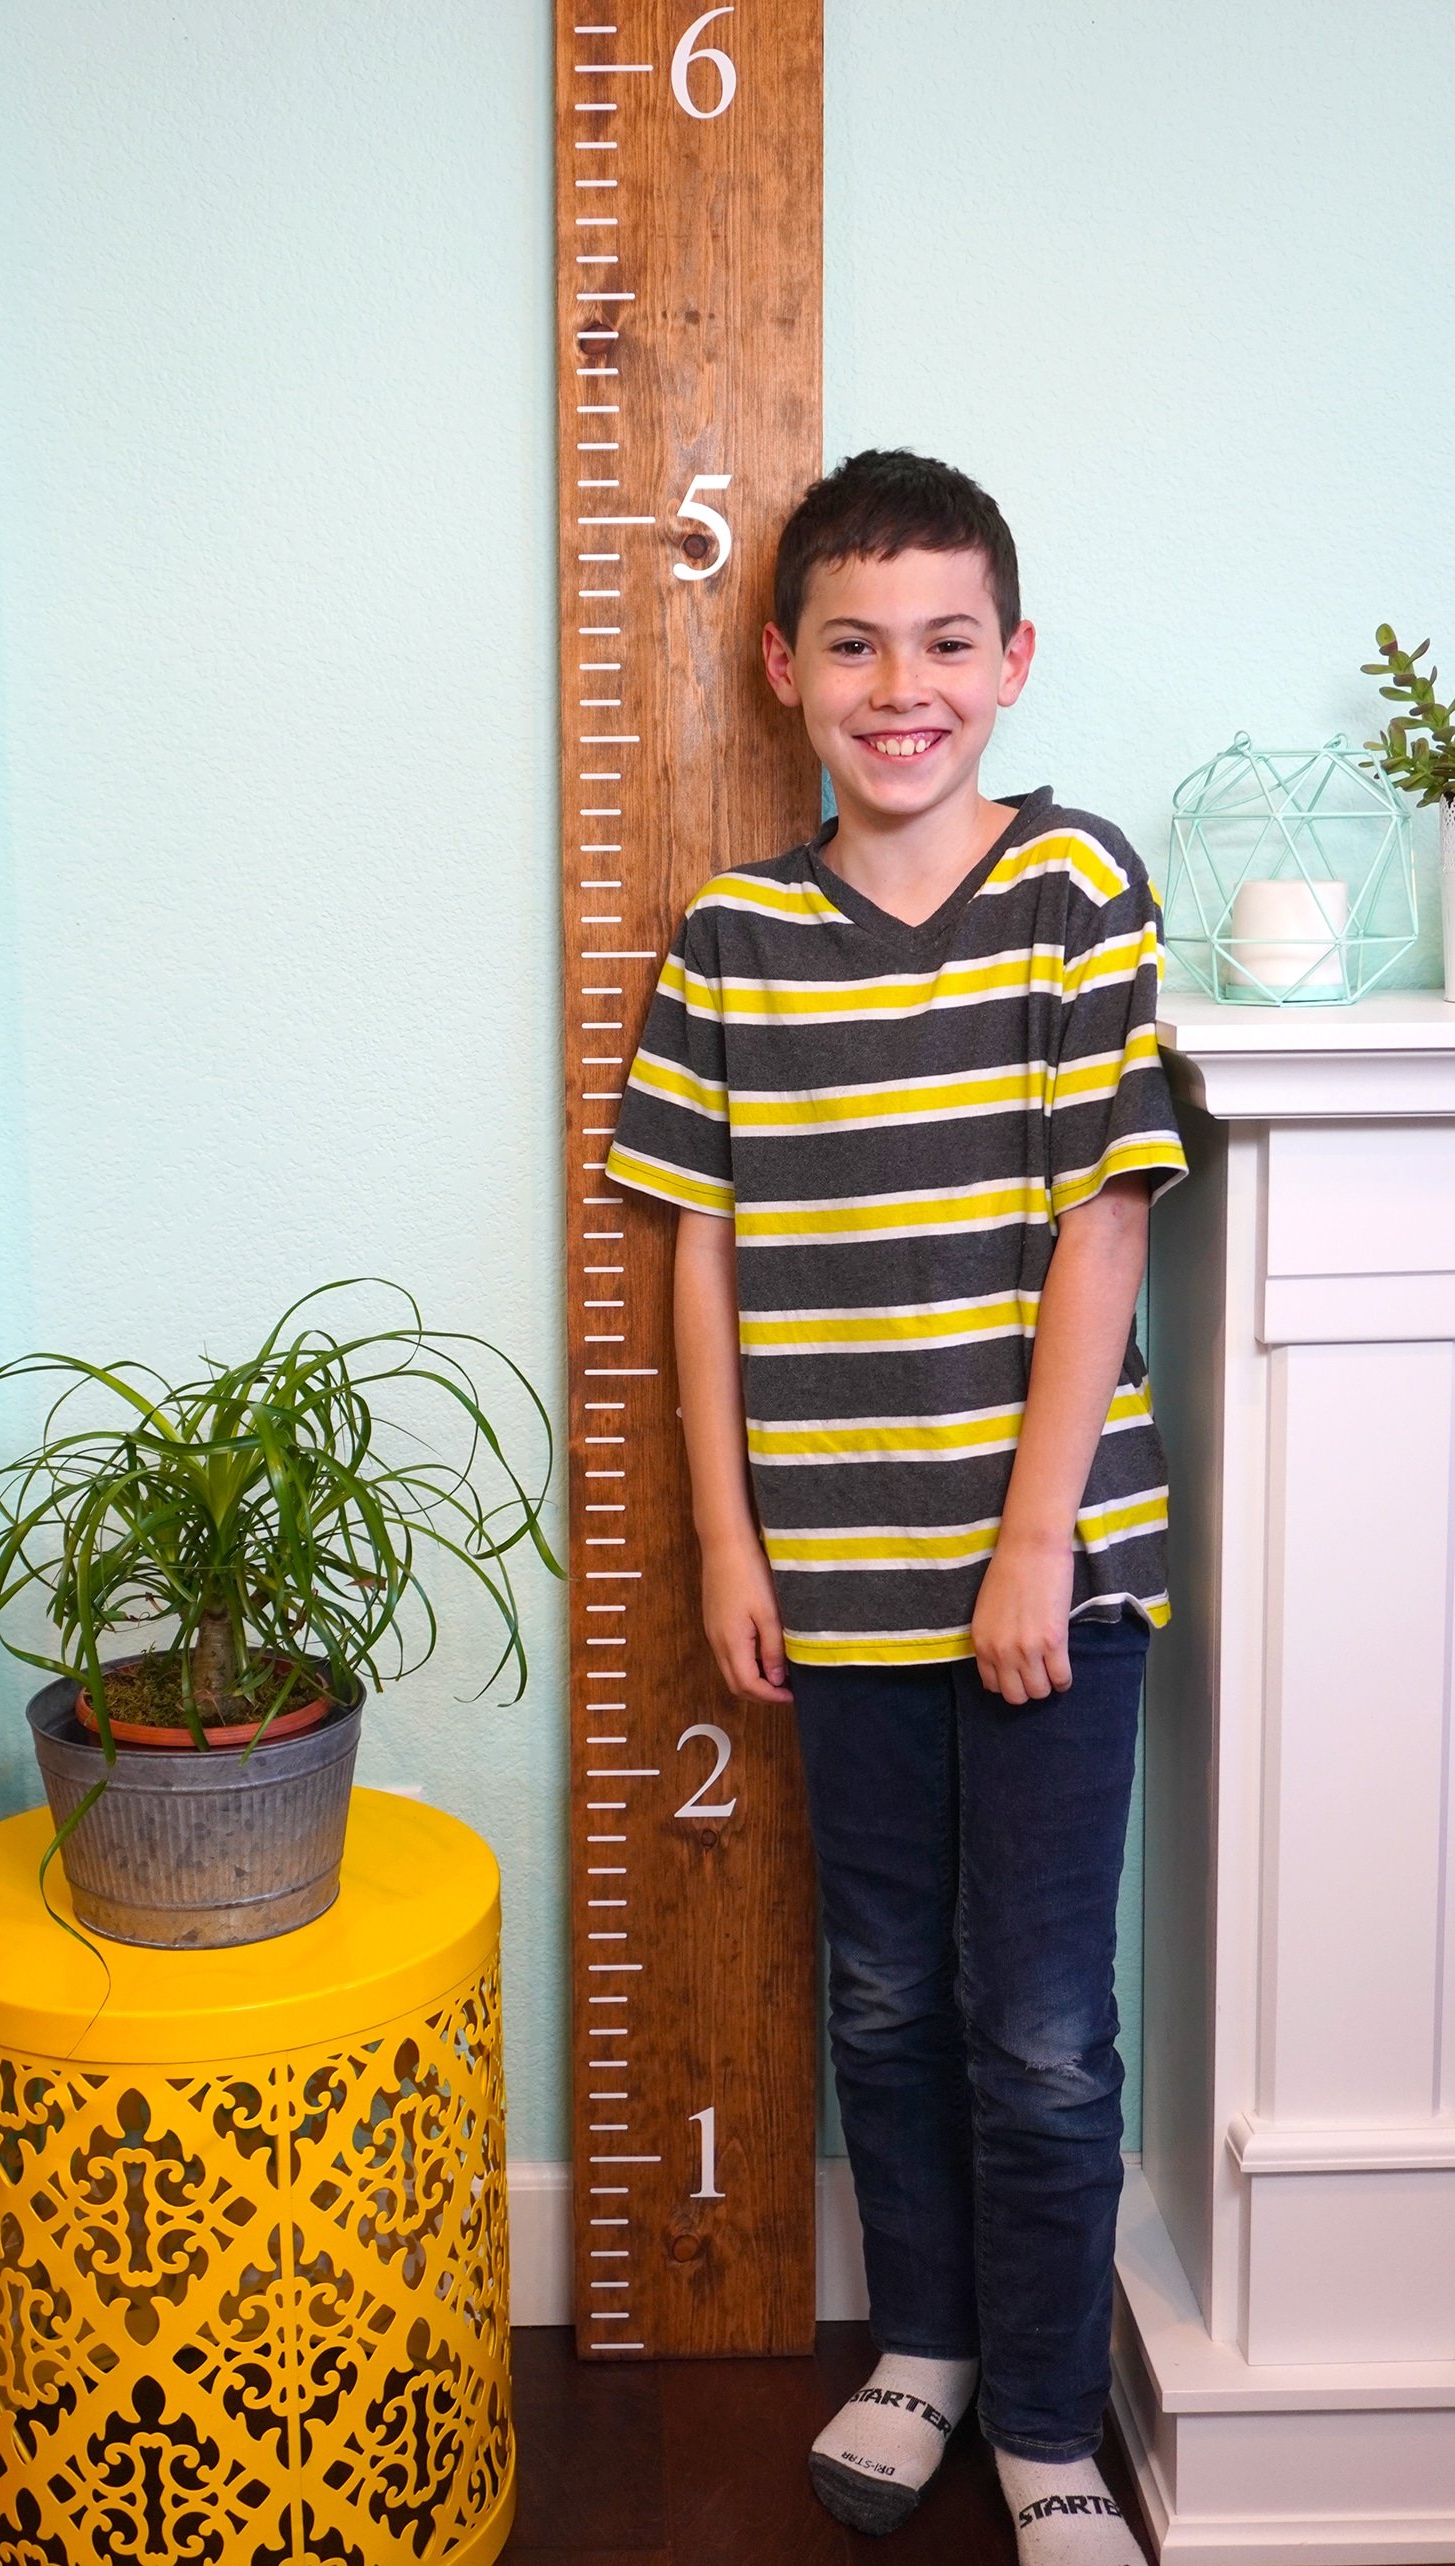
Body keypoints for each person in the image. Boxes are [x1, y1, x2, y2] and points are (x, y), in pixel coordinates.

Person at [605, 448, 1186, 2562]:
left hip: (1051, 1572)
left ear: (1012, 663)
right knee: (884, 1990)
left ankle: (1042, 2415)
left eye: (947, 640)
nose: (900, 681)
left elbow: (1106, 1222)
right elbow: (697, 1248)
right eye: (852, 642)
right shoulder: (735, 936)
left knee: (1039, 2019)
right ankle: (923, 2344)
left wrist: (1036, 1537)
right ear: (782, 669)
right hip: (832, 1579)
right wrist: (729, 1539)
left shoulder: (1074, 890)